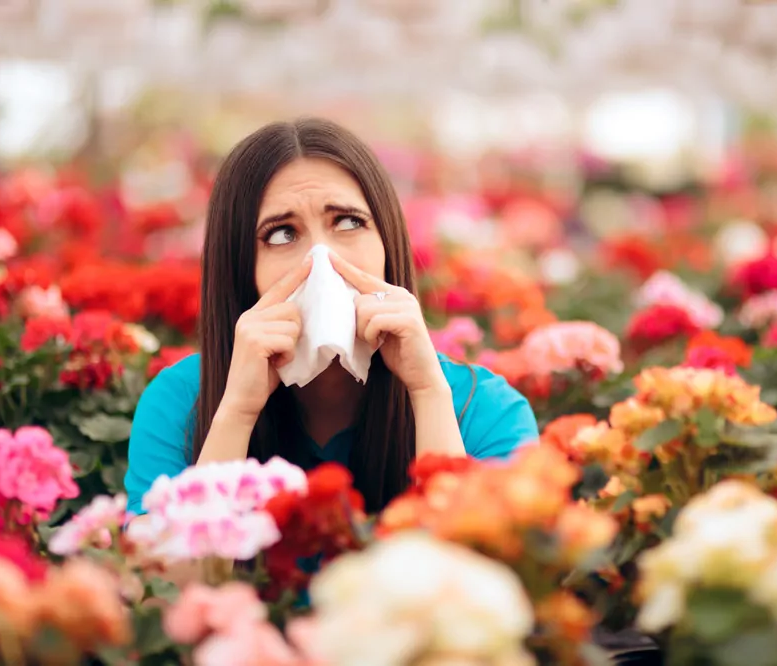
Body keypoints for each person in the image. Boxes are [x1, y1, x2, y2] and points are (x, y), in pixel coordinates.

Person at [124, 117, 539, 524]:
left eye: (348, 222)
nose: (322, 259)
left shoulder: (484, 407)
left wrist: (428, 393)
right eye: (282, 233)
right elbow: (172, 571)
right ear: (239, 267)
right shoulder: (180, 403)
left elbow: (470, 565)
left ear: (387, 241)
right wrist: (236, 413)